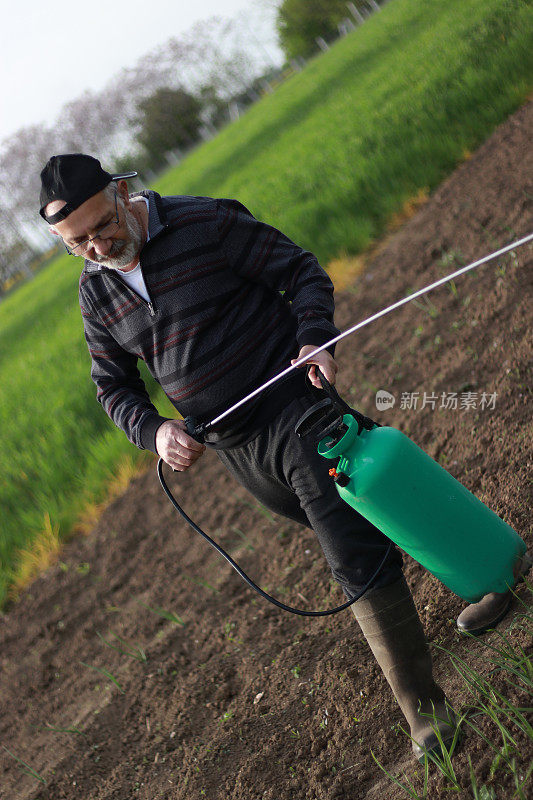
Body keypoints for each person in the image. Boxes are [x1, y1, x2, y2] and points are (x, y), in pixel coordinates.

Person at [38, 153, 526, 760]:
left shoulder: (203, 223)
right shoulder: (95, 291)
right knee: (378, 506)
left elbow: (299, 271)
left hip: (298, 407)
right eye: (76, 242)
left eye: (102, 226)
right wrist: (155, 432)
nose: (94, 246)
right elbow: (112, 385)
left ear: (121, 192)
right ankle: (491, 569)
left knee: (354, 554)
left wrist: (314, 336)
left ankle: (426, 716)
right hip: (235, 448)